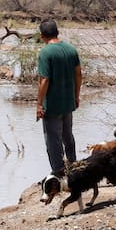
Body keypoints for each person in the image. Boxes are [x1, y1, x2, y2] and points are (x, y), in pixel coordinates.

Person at [35, 19, 82, 177]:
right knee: (68, 136)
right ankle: (73, 165)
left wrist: (39, 104)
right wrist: (76, 96)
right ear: (57, 32)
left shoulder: (45, 53)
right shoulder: (71, 49)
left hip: (53, 106)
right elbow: (78, 74)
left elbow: (45, 80)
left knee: (53, 140)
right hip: (68, 102)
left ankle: (59, 172)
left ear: (42, 36)